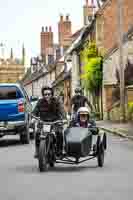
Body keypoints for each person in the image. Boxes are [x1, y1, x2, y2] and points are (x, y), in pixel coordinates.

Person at [32, 85, 64, 158]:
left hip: (55, 122)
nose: (47, 96)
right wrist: (33, 118)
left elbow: (62, 111)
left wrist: (64, 118)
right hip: (43, 122)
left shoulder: (57, 101)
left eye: (49, 94)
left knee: (59, 133)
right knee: (37, 133)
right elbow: (35, 111)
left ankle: (59, 151)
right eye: (45, 94)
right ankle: (37, 150)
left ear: (51, 94)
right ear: (43, 95)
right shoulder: (40, 102)